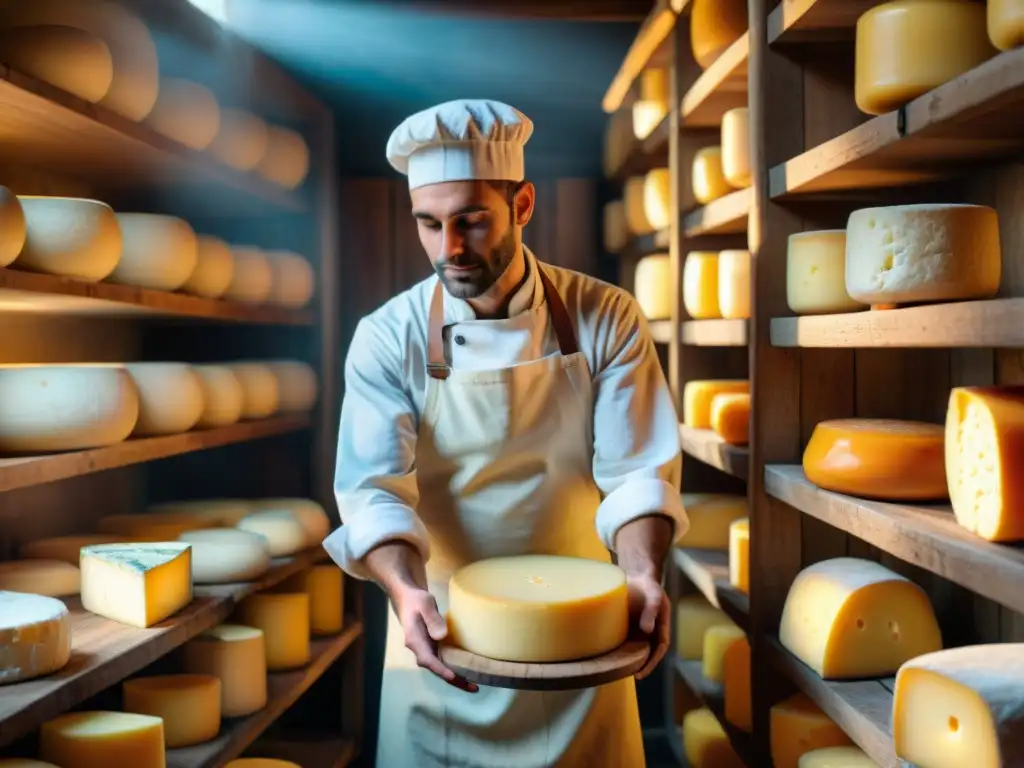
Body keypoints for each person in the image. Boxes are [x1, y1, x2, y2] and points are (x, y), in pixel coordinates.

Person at [323, 98, 687, 768]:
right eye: (429, 226)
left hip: (585, 636)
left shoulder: (605, 316)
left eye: (471, 221)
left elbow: (638, 473)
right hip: (443, 643)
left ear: (522, 205)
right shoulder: (387, 336)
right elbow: (373, 494)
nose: (449, 249)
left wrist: (643, 574)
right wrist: (405, 594)